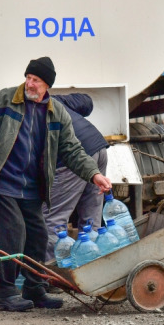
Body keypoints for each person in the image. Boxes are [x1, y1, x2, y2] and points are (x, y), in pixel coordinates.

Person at [0, 56, 112, 312]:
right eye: (28, 78)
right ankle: (6, 293)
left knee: (38, 236)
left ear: (47, 86)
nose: (30, 84)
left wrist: (93, 174)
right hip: (1, 183)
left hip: (32, 187)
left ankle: (34, 288)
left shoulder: (56, 112)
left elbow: (72, 149)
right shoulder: (3, 100)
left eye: (37, 81)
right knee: (12, 233)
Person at [43, 93, 109, 262]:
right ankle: (93, 267)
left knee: (51, 219)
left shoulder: (22, 113)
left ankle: (54, 273)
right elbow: (86, 101)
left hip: (73, 157)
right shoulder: (54, 100)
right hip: (97, 146)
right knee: (91, 220)